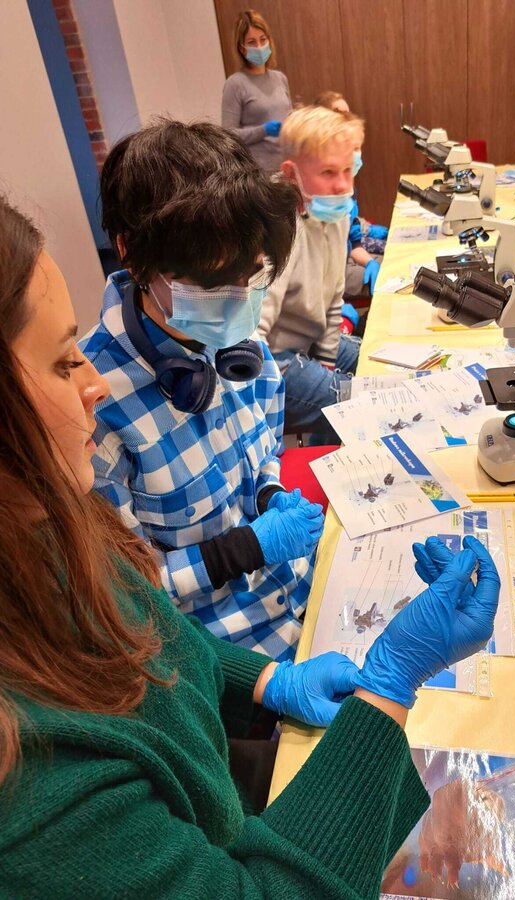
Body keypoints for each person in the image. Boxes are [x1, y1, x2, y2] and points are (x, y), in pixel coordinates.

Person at [0, 194, 501, 896]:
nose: (92, 386)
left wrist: (266, 684)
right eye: (61, 364)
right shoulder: (31, 789)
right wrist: (391, 683)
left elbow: (149, 629)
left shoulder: (42, 523)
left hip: (226, 757)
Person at [80, 120, 321, 663]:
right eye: (211, 284)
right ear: (131, 253)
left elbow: (264, 454)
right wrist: (241, 550)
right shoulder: (95, 406)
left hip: (303, 592)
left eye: (249, 277)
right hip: (232, 656)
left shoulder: (239, 344)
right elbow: (123, 600)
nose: (237, 301)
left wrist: (269, 495)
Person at [257, 105, 362, 444]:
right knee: (361, 404)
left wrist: (327, 363)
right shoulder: (278, 226)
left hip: (310, 341)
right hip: (274, 357)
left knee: (378, 367)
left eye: (348, 170)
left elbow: (334, 297)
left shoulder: (336, 214)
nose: (342, 185)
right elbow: (254, 332)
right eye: (328, 172)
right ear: (291, 174)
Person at [314, 91, 388, 300]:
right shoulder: (315, 203)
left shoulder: (346, 185)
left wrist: (370, 262)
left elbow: (353, 243)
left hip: (341, 265)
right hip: (327, 277)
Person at [221, 9, 292, 172]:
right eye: (252, 42)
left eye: (263, 39)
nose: (259, 47)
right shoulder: (235, 84)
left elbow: (288, 117)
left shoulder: (280, 78)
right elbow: (228, 136)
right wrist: (263, 130)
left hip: (286, 166)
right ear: (242, 48)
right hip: (258, 172)